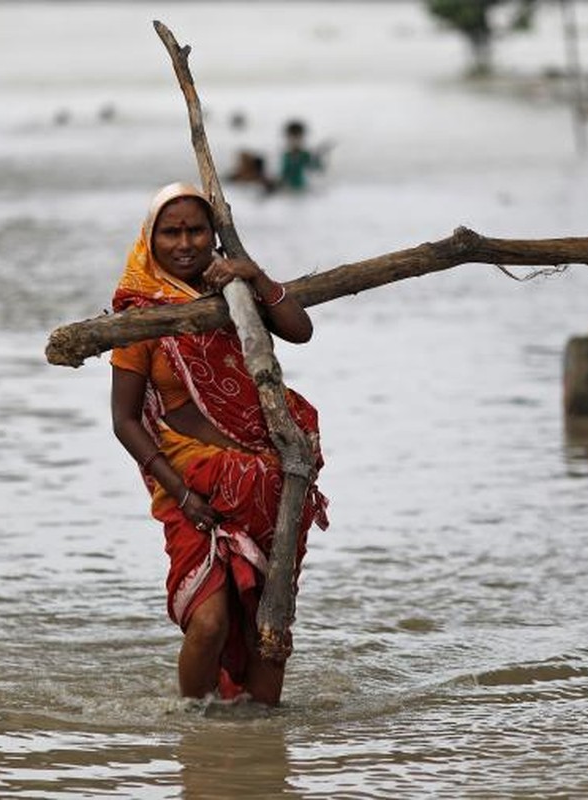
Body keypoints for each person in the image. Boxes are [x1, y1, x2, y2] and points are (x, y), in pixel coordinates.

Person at [110, 183, 329, 705]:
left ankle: (254, 748)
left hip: (269, 482)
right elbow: (124, 420)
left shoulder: (235, 294)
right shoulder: (138, 313)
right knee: (208, 623)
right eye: (170, 232)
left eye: (195, 230)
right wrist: (183, 495)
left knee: (266, 625)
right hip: (191, 487)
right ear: (150, 239)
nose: (184, 243)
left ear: (214, 235)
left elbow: (301, 329)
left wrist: (252, 274)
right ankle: (195, 727)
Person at [277, 119, 330, 191]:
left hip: (306, 191)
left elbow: (318, 170)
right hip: (289, 191)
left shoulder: (306, 155)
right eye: (292, 138)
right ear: (287, 138)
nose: (295, 141)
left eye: (298, 138)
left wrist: (317, 158)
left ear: (302, 138)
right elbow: (283, 175)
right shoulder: (285, 156)